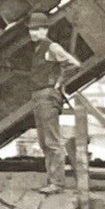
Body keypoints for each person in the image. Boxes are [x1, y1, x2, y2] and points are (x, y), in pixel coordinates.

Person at [28, 12, 80, 193]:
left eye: (37, 29)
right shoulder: (38, 48)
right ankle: (52, 180)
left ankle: (57, 183)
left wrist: (59, 82)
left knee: (51, 141)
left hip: (47, 96)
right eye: (31, 29)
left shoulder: (52, 47)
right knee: (44, 142)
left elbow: (73, 64)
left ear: (45, 29)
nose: (33, 33)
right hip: (39, 97)